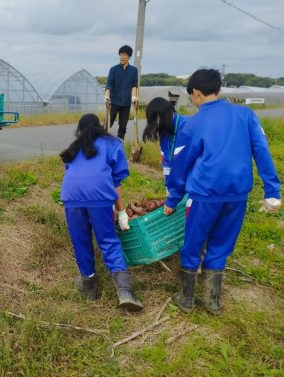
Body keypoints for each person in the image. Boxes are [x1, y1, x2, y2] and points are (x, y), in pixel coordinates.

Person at [164, 69, 281, 315]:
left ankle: (186, 298)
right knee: (221, 243)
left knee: (194, 242)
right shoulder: (246, 115)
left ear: (196, 93)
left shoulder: (193, 123)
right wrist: (272, 192)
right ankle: (213, 301)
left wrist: (173, 198)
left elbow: (181, 163)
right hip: (237, 194)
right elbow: (262, 151)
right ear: (217, 89)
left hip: (204, 194)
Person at [60, 113, 143, 311]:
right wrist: (121, 211)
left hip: (72, 198)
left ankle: (89, 288)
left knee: (81, 241)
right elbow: (116, 182)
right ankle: (125, 291)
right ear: (100, 128)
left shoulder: (74, 148)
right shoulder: (112, 144)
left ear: (79, 131)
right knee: (107, 240)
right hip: (98, 197)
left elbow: (73, 174)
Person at [143, 97, 189, 191]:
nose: (155, 125)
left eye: (155, 120)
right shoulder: (164, 129)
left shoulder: (187, 126)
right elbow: (166, 159)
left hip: (192, 185)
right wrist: (168, 186)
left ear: (162, 115)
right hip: (176, 185)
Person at [104, 45, 139, 140]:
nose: (122, 57)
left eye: (124, 55)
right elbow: (109, 84)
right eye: (120, 55)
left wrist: (133, 97)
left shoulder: (133, 70)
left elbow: (134, 85)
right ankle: (102, 143)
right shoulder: (113, 69)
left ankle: (119, 145)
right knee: (107, 124)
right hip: (114, 102)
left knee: (123, 127)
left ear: (129, 57)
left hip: (126, 103)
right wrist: (107, 96)